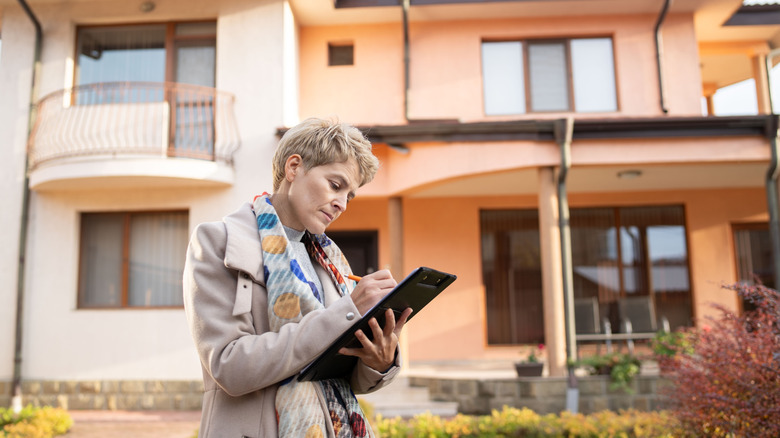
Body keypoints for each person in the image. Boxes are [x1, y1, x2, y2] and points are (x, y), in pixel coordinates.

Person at [183, 117, 411, 438]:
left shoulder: (330, 263)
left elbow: (337, 374)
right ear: (294, 168)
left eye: (350, 195)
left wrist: (378, 360)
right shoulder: (219, 242)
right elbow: (229, 366)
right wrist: (345, 312)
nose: (342, 204)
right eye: (335, 185)